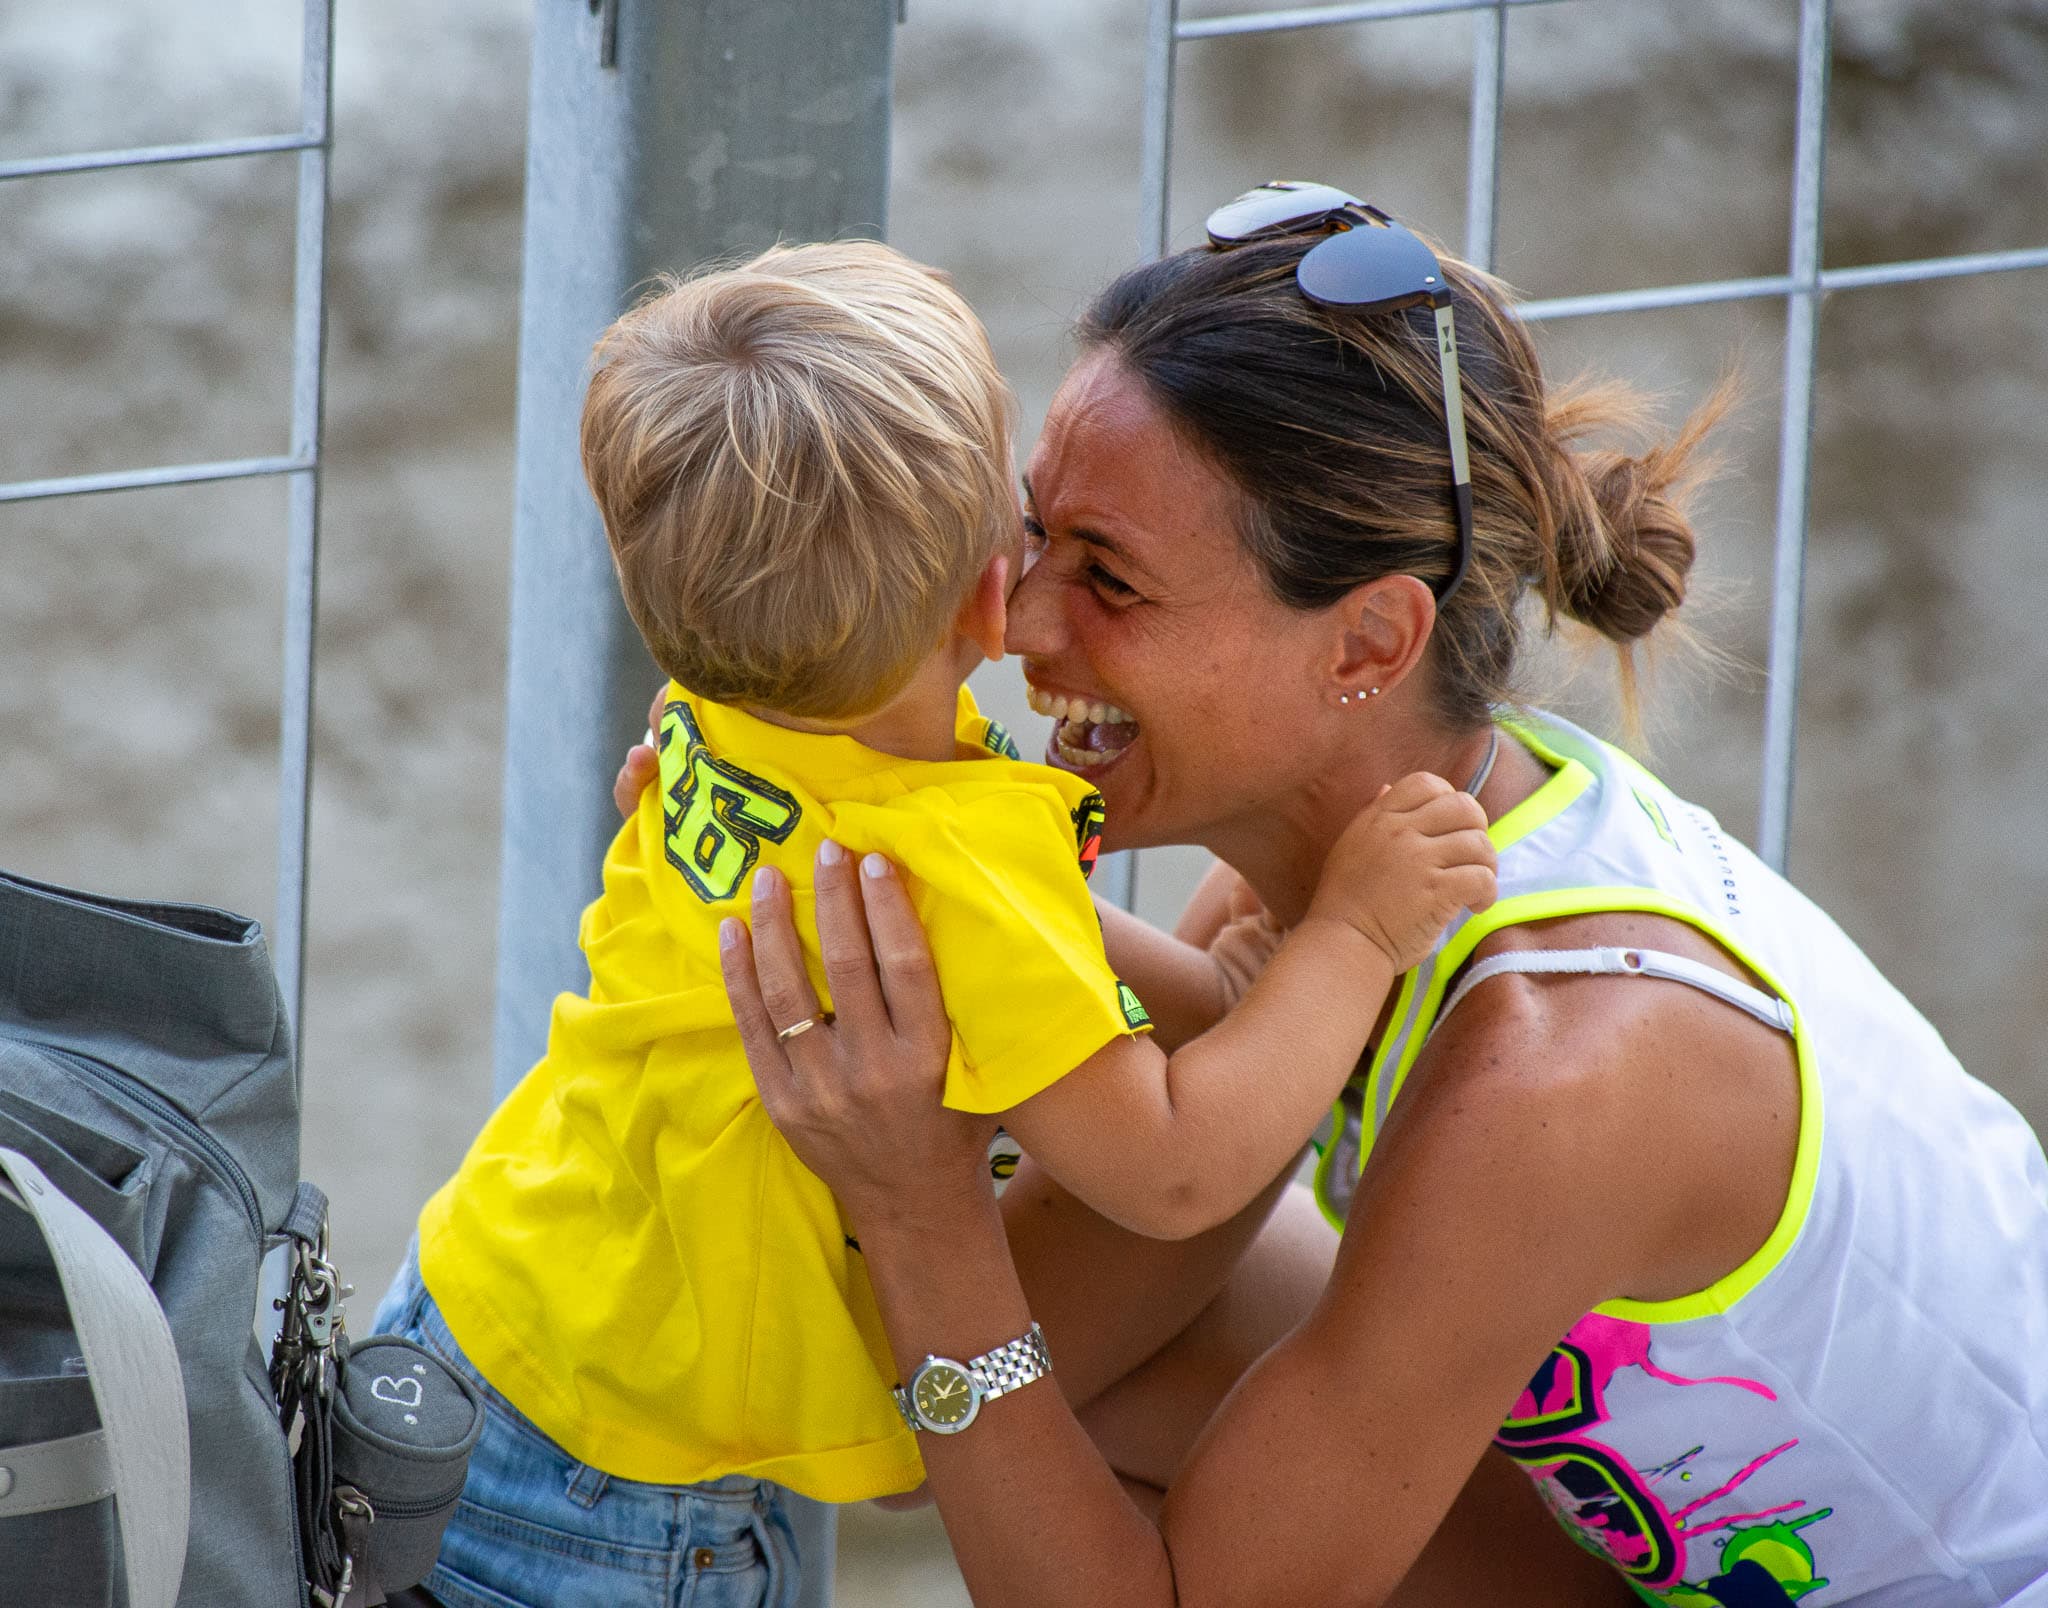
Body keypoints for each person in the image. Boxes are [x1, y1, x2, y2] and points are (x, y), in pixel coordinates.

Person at [714, 185, 2048, 1606]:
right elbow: (992, 1371)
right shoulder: (1345, 874)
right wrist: (854, 852)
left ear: (1368, 639)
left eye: (1109, 578)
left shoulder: (1557, 1071)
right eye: (1040, 535)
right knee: (1066, 1402)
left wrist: (920, 1216)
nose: (1019, 621)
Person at [372, 238, 1497, 1608]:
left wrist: (1232, 984)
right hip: (618, 1489)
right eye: (1032, 540)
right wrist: (1357, 939)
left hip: (468, 1313)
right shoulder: (950, 858)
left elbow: (1052, 978)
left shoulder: (711, 719)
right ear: (988, 598)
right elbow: (1179, 1170)